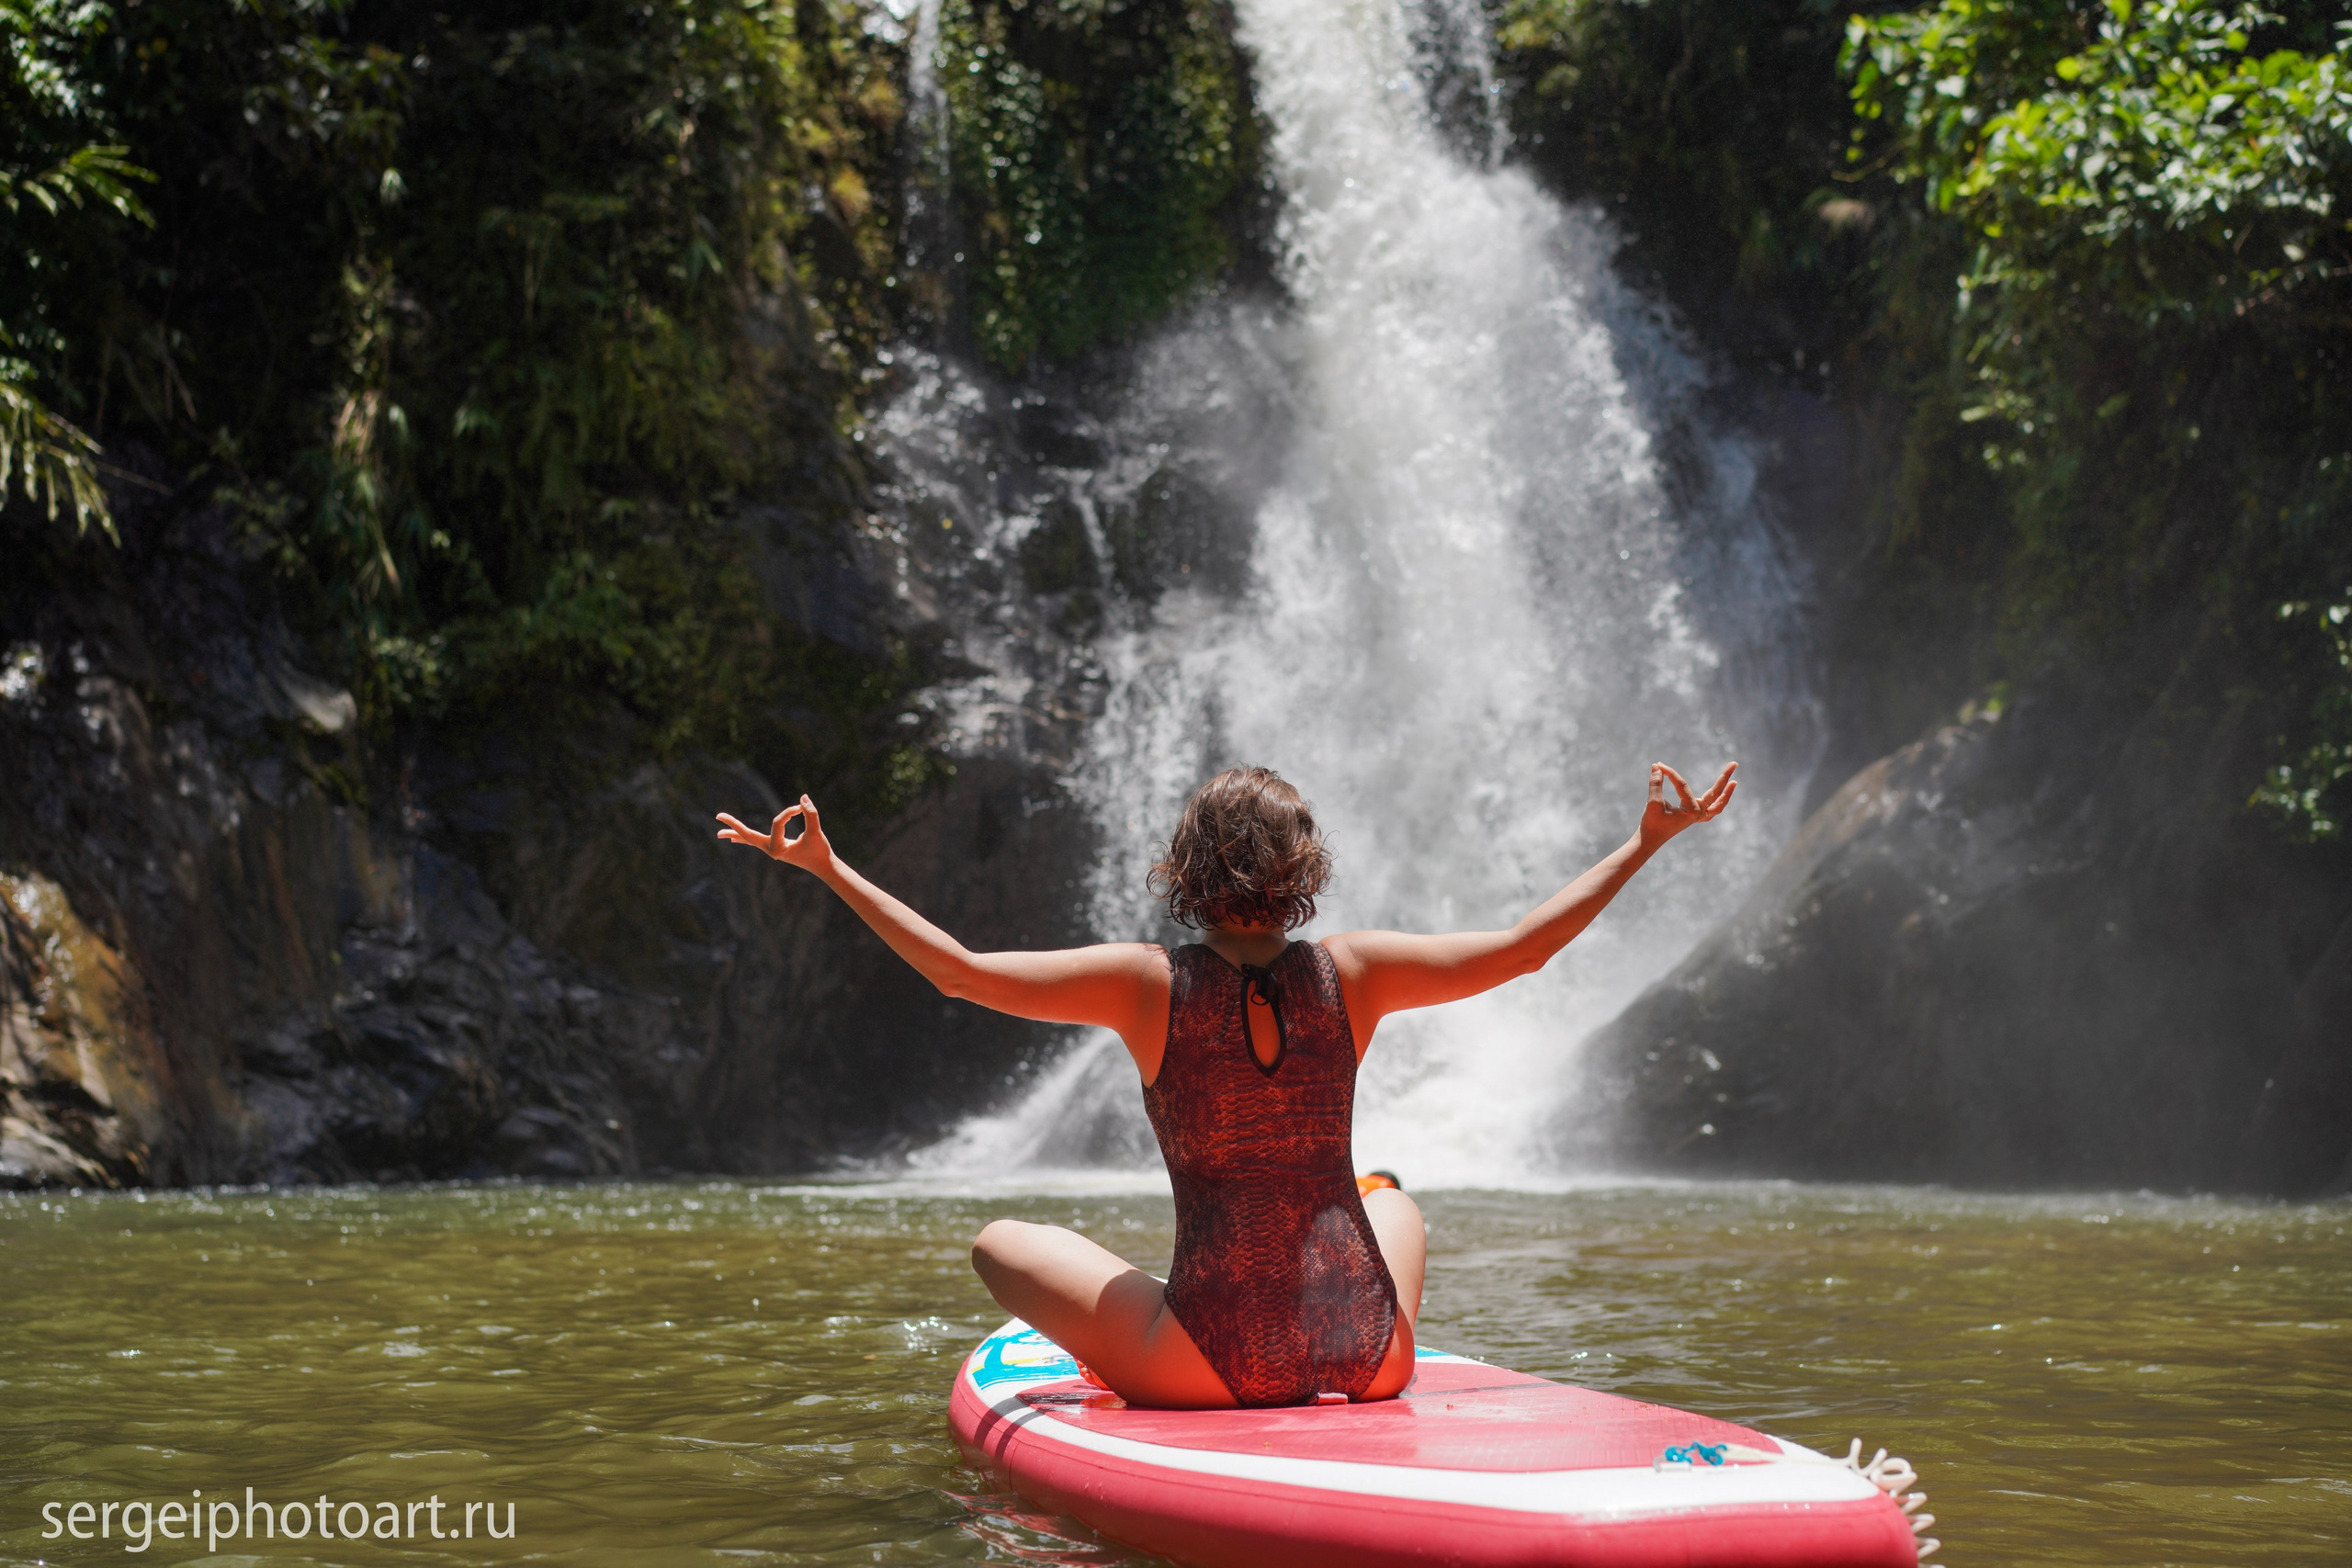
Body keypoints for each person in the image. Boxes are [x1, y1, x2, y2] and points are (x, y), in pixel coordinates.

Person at [717, 759, 1736, 1409]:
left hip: (1212, 1362)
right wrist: (1643, 843)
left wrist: (832, 870)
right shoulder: (1357, 970)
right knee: (1390, 1200)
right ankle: (1363, 1236)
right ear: (1305, 868)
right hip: (1370, 1353)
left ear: (1186, 865)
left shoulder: (1144, 984)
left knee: (999, 1242)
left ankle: (1128, 1340)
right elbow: (1523, 949)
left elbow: (960, 973)